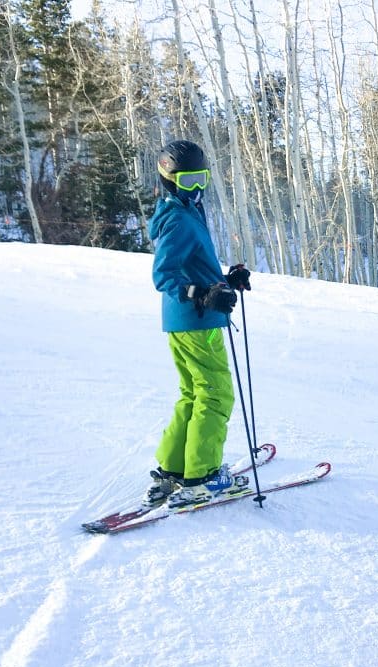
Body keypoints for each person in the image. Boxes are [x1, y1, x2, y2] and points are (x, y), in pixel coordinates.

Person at [144, 140, 252, 508]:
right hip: (197, 323)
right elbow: (164, 275)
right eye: (188, 180)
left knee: (193, 393)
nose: (197, 187)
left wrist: (224, 280)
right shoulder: (179, 219)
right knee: (216, 394)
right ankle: (202, 476)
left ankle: (174, 468)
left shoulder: (182, 212)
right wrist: (201, 296)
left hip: (182, 322)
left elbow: (193, 268)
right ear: (169, 180)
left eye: (201, 178)